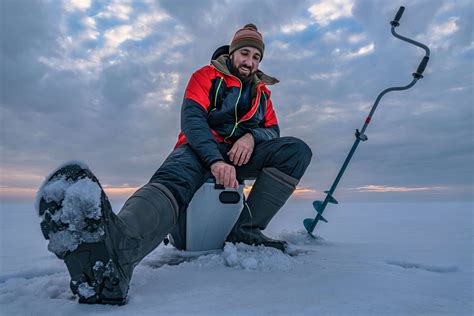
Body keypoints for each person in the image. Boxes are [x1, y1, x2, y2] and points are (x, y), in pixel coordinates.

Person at [36, 23, 312, 305]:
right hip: (198, 147)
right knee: (175, 176)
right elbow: (193, 121)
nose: (250, 61)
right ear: (232, 53)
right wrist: (214, 159)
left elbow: (272, 130)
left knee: (296, 152)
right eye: (244, 53)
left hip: (241, 154)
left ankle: (247, 231)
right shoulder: (205, 76)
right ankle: (121, 247)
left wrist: (252, 137)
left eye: (256, 56)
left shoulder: (263, 93)